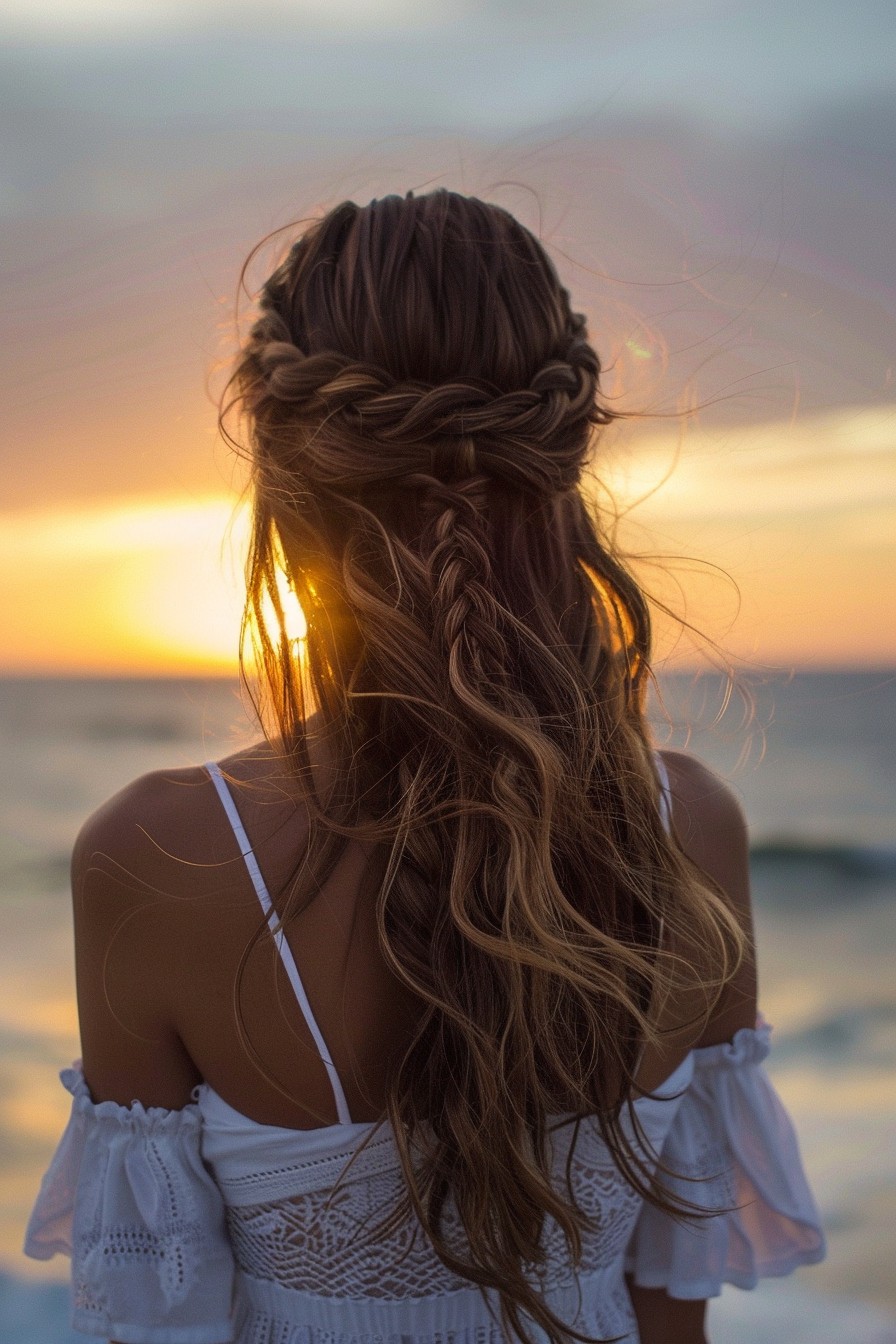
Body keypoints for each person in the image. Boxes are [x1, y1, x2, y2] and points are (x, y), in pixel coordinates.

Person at [24, 190, 825, 1344]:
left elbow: (155, 1323)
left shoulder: (156, 855)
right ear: (565, 463)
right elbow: (668, 1308)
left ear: (278, 473)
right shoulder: (688, 826)